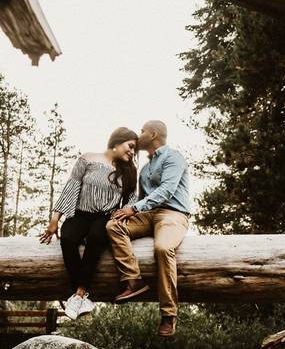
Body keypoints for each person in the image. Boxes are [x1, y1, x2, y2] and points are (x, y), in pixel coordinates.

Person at [40, 127, 139, 320]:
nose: (132, 152)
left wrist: (121, 215)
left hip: (105, 216)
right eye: (130, 146)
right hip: (80, 213)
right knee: (67, 238)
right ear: (117, 142)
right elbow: (71, 187)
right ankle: (83, 296)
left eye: (135, 149)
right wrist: (54, 220)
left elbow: (132, 199)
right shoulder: (87, 158)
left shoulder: (129, 171)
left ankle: (79, 293)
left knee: (96, 237)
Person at [107, 120, 191, 336]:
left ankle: (168, 314)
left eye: (143, 131)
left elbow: (167, 190)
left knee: (163, 248)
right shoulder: (145, 169)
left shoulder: (174, 157)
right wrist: (126, 211)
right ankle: (134, 281)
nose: (139, 134)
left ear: (153, 135)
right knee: (114, 225)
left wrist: (133, 209)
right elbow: (142, 199)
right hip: (148, 215)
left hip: (173, 214)